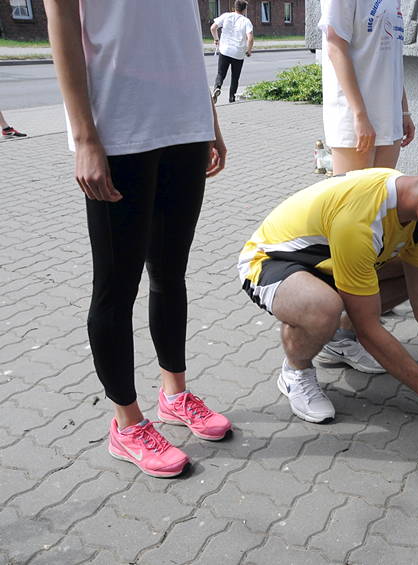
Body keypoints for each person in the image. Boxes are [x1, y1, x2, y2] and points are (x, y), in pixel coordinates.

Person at [45, 0, 231, 478]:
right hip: (119, 126)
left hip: (183, 121)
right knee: (116, 286)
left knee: (170, 273)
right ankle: (126, 424)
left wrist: (207, 116)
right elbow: (62, 19)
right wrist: (85, 137)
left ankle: (174, 395)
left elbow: (183, 32)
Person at [238, 156, 418, 439]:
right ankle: (295, 372)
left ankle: (337, 340)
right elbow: (369, 329)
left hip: (330, 262)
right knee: (323, 308)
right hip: (271, 261)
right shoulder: (361, 219)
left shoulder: (412, 207)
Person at [319, 0, 415, 175]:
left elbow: (391, 58)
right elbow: (335, 46)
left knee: (380, 199)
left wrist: (404, 110)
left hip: (388, 119)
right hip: (355, 118)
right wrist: (360, 115)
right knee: (353, 200)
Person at [211, 0, 254, 104]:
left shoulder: (226, 16)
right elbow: (250, 38)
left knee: (221, 73)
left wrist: (217, 39)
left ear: (234, 7)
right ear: (244, 9)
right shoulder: (246, 21)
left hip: (225, 50)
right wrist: (248, 50)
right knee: (235, 78)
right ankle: (232, 99)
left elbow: (213, 28)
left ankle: (217, 87)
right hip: (238, 54)